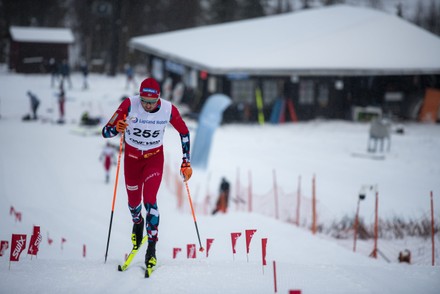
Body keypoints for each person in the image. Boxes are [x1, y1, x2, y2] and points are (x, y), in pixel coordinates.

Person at [102, 77, 192, 274]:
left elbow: (184, 132)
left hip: (153, 159)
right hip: (132, 160)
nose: (147, 106)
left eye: (152, 102)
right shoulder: (129, 104)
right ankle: (137, 222)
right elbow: (105, 132)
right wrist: (116, 128)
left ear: (159, 98)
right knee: (134, 205)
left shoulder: (169, 109)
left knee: (150, 199)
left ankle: (151, 249)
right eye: (144, 101)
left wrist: (186, 161)